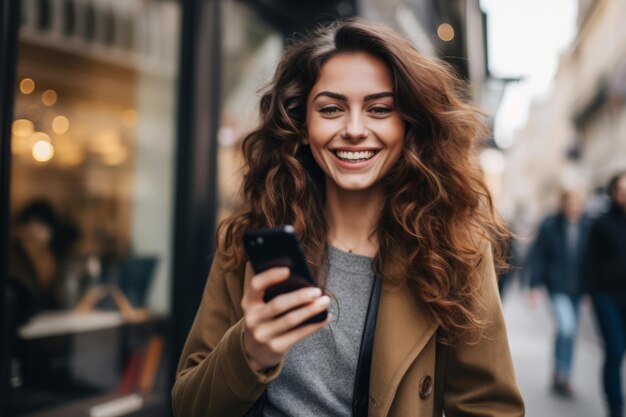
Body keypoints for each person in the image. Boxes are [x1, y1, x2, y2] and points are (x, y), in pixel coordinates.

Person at [172, 19, 524, 417]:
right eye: (331, 109)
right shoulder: (248, 239)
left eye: (378, 109)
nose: (354, 130)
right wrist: (249, 351)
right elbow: (188, 406)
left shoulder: (455, 252)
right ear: (302, 125)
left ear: (407, 126)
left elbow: (490, 409)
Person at [527, 188, 590, 398]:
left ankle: (562, 375)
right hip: (556, 287)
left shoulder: (587, 225)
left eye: (577, 205)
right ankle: (562, 373)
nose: (574, 209)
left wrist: (590, 290)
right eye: (570, 204)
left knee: (569, 333)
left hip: (578, 289)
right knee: (566, 327)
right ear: (563, 205)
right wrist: (534, 285)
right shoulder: (550, 224)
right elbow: (538, 256)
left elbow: (592, 260)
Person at [587, 171, 626, 417]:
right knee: (615, 349)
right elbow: (589, 261)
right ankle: (615, 406)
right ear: (613, 192)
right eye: (621, 190)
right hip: (606, 296)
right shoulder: (601, 222)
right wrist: (591, 293)